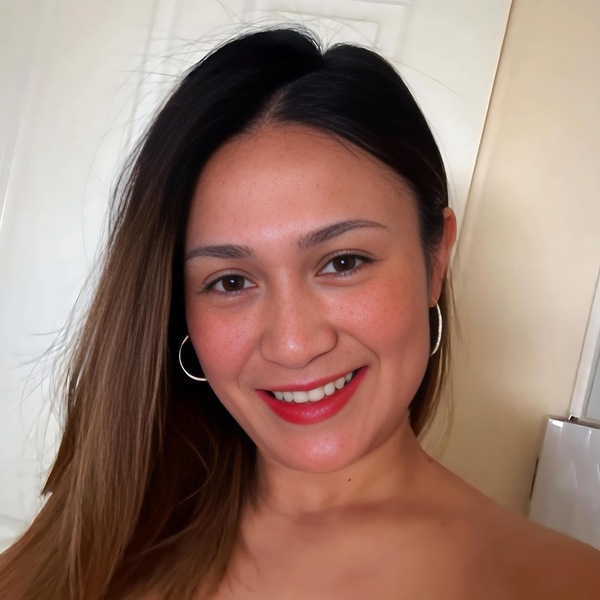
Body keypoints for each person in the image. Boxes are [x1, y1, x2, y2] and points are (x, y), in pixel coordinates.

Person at [1, 27, 598, 600]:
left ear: (435, 258)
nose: (293, 344)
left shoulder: (564, 584)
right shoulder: (86, 540)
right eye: (230, 281)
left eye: (343, 262)